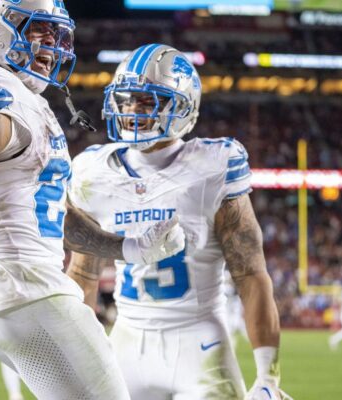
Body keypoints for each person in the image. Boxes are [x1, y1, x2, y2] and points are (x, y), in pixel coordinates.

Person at [0, 1, 184, 398]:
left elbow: (54, 214)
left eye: (57, 33)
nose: (53, 43)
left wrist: (130, 248)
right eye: (38, 30)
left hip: (26, 288)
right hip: (20, 287)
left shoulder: (21, 97)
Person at [66, 44, 289, 399]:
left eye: (147, 101)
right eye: (126, 100)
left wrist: (267, 376)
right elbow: (83, 275)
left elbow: (250, 272)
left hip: (198, 341)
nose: (131, 111)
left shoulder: (214, 163)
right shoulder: (93, 171)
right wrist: (72, 354)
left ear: (182, 105)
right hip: (126, 341)